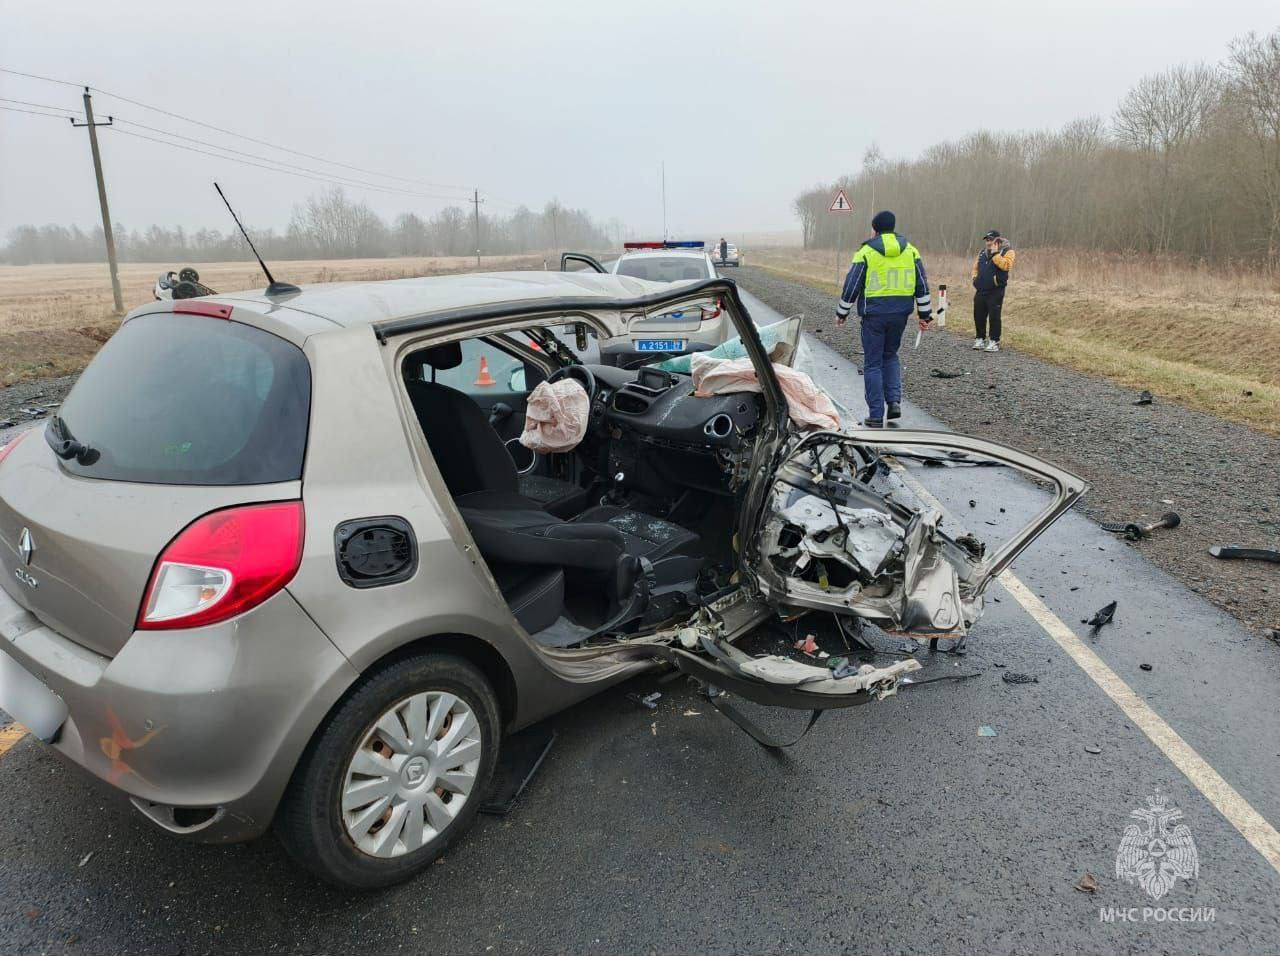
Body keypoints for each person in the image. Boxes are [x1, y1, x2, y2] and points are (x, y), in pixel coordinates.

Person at [835, 210, 933, 427]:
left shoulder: (866, 252)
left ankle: (876, 414)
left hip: (874, 315)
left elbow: (852, 285)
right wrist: (925, 315)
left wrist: (842, 312)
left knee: (872, 363)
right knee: (890, 355)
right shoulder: (911, 251)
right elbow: (922, 285)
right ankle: (894, 402)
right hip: (900, 314)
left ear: (875, 229)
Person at [971, 229, 1016, 352]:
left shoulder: (1008, 251)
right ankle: (980, 338)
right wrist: (975, 279)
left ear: (997, 240)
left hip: (996, 290)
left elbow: (1006, 265)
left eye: (990, 240)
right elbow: (975, 268)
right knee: (978, 314)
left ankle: (994, 341)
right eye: (987, 240)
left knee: (994, 316)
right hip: (980, 289)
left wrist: (996, 254)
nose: (988, 242)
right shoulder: (982, 253)